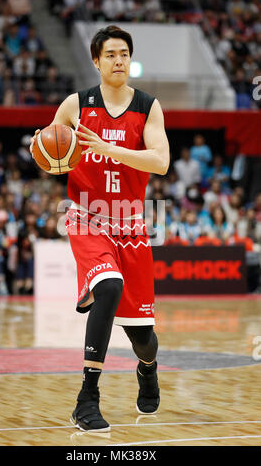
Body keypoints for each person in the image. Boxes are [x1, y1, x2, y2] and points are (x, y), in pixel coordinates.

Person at [30, 25, 170, 432]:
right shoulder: (76, 105)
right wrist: (42, 147)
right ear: (96, 60)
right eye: (110, 54)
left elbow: (160, 161)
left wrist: (111, 149)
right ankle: (87, 398)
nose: (119, 60)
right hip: (86, 216)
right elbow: (50, 147)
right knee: (107, 286)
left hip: (130, 222)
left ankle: (148, 367)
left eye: (124, 53)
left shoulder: (147, 107)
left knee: (142, 335)